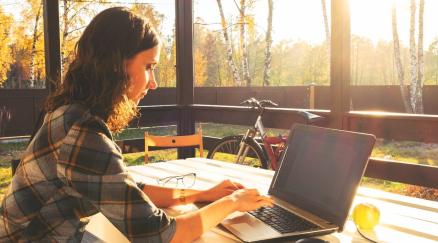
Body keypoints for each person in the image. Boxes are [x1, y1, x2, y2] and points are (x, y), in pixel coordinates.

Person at [0, 7, 272, 242]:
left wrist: (202, 194)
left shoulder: (70, 114)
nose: (153, 83)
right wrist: (232, 203)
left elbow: (127, 191)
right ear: (116, 66)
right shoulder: (82, 133)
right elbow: (161, 237)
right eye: (148, 66)